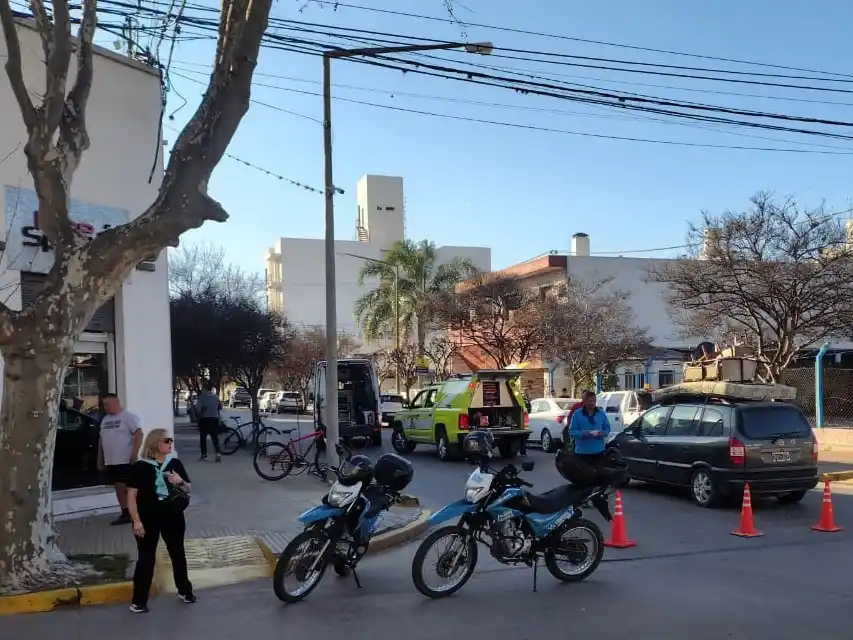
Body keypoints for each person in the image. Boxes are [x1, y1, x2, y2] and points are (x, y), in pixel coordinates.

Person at [127, 428, 195, 613]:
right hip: (147, 519)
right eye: (167, 440)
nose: (170, 443)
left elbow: (189, 489)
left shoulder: (174, 463)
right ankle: (138, 601)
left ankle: (185, 591)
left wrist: (179, 482)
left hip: (173, 517)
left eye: (171, 440)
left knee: (178, 554)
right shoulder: (140, 467)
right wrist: (136, 521)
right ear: (155, 443)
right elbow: (131, 496)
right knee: (146, 558)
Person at [97, 393, 143, 525]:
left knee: (127, 486)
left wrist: (134, 454)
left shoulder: (128, 416)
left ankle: (137, 511)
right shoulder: (105, 419)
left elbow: (138, 434)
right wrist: (100, 458)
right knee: (118, 487)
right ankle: (125, 512)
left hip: (125, 459)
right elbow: (101, 440)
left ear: (116, 402)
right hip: (111, 460)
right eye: (104, 405)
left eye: (107, 404)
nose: (105, 407)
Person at [568, 390, 610, 461]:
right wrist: (583, 433)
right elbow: (572, 432)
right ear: (584, 401)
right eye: (590, 401)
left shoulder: (601, 413)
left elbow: (607, 428)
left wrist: (603, 433)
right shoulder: (577, 414)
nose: (592, 403)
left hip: (599, 451)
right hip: (582, 452)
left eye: (594, 401)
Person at [194, 385, 223, 462]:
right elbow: (220, 407)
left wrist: (197, 412)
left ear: (205, 389)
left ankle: (204, 455)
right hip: (214, 419)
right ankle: (218, 453)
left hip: (204, 420)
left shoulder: (202, 397)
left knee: (203, 438)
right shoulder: (216, 397)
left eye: (202, 388)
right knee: (215, 438)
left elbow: (198, 409)